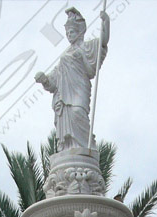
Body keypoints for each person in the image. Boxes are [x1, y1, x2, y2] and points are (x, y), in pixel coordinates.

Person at [34, 7, 110, 150]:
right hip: (64, 94)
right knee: (67, 117)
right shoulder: (65, 54)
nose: (69, 35)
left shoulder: (87, 47)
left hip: (80, 88)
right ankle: (69, 148)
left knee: (78, 112)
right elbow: (55, 78)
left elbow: (103, 43)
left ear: (80, 32)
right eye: (67, 33)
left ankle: (87, 148)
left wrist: (106, 22)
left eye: (72, 32)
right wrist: (44, 79)